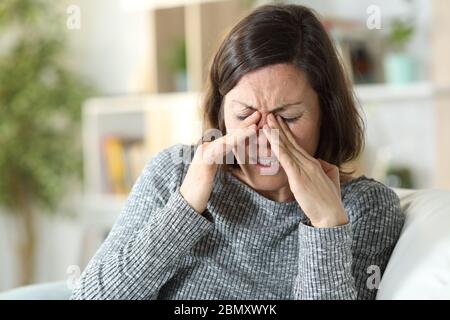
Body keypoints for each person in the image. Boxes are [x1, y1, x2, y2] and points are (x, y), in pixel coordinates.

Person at [71, 4, 404, 300]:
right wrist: (185, 207)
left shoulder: (365, 208)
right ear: (221, 108)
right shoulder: (174, 173)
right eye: (245, 115)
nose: (266, 137)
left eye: (288, 117)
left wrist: (326, 224)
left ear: (326, 114)